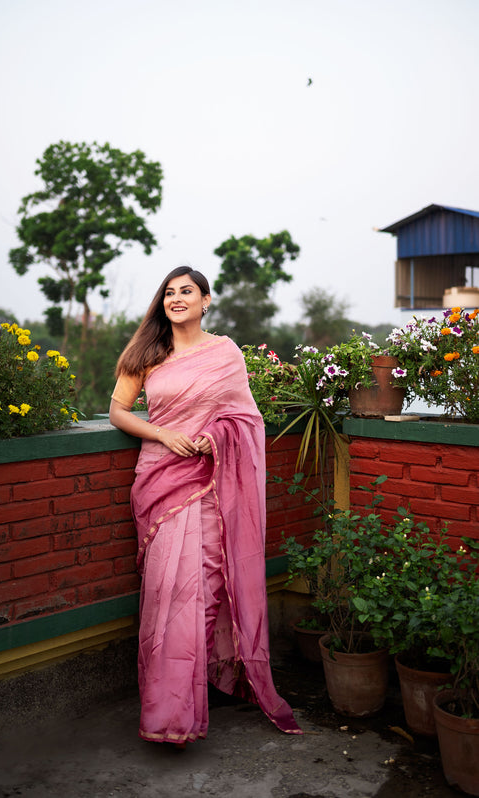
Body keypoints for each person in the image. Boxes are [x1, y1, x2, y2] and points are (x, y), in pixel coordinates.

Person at [109, 266, 302, 746]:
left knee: (210, 586)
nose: (177, 299)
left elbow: (246, 418)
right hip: (162, 480)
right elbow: (117, 411)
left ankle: (213, 681)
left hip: (214, 481)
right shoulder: (146, 354)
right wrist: (163, 434)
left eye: (186, 292)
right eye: (170, 293)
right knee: (169, 592)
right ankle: (168, 712)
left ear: (205, 300)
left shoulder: (225, 352)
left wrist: (215, 436)